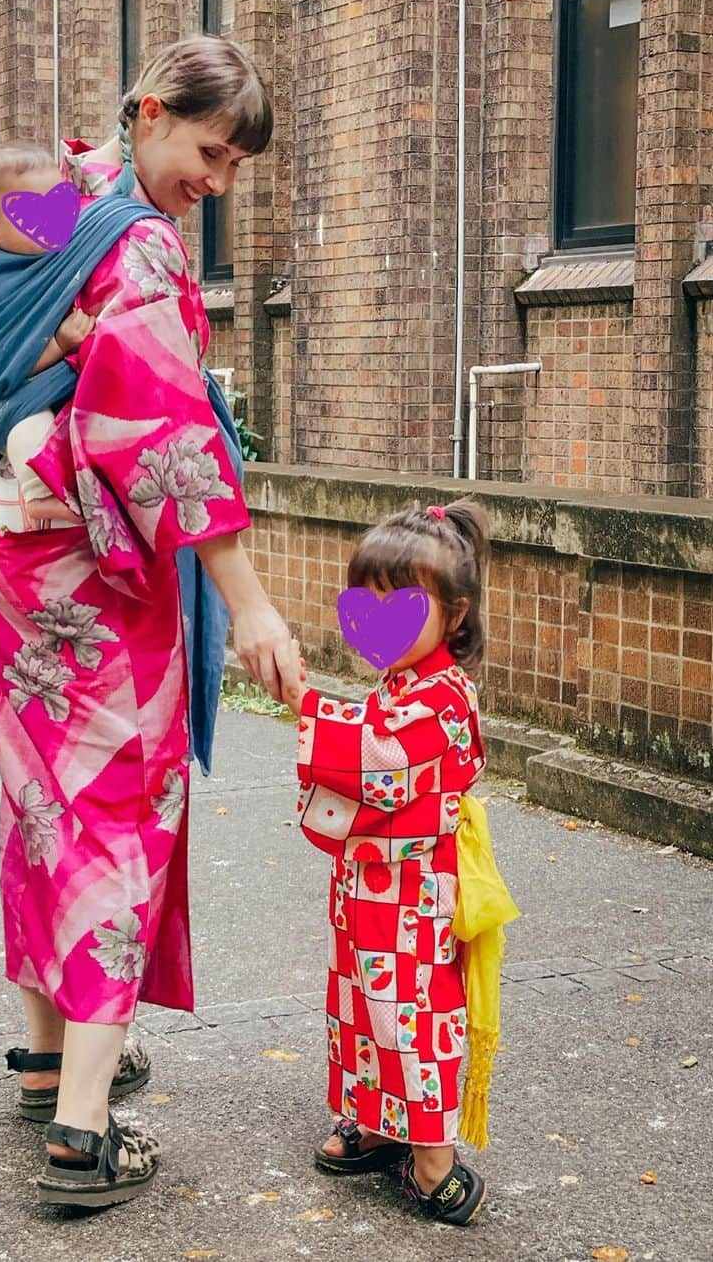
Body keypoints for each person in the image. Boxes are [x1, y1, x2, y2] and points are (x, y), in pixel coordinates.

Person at [0, 35, 301, 1208]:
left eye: (237, 165)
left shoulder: (52, 188)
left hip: (2, 542)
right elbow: (166, 440)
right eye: (211, 152)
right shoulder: (143, 247)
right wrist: (249, 603)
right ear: (152, 113)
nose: (219, 183)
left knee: (43, 794)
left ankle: (49, 1056)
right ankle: (83, 1130)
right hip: (93, 571)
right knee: (119, 810)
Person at [284, 499, 495, 1227]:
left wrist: (306, 703)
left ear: (455, 614)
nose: (375, 620)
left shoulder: (444, 698)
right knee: (358, 1007)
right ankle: (374, 1121)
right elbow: (371, 743)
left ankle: (432, 1153)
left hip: (415, 897)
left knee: (411, 1013)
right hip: (371, 888)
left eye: (399, 604)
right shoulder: (404, 684)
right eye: (365, 603)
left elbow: (378, 755)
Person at [0, 143, 95, 529]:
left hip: (12, 400)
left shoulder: (39, 266)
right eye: (36, 210)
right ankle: (44, 498)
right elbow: (1, 365)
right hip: (3, 401)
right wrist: (61, 343)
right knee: (29, 430)